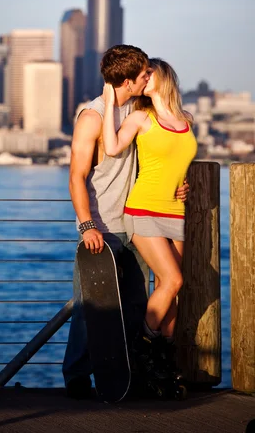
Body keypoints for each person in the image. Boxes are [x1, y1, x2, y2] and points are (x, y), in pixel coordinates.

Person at [62, 46, 189, 399]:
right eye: (145, 74)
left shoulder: (140, 110)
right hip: (102, 228)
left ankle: (131, 374)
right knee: (91, 308)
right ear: (129, 80)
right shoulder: (92, 116)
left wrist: (177, 185)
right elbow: (76, 175)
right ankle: (76, 378)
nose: (150, 77)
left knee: (136, 304)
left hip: (138, 222)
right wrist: (87, 225)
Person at [102, 58, 197, 382]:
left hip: (177, 212)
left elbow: (177, 163)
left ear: (164, 77)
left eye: (148, 74)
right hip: (143, 210)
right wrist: (107, 100)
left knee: (172, 290)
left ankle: (164, 361)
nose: (143, 79)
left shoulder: (187, 120)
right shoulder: (141, 118)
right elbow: (113, 147)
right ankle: (139, 347)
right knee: (174, 281)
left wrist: (185, 185)